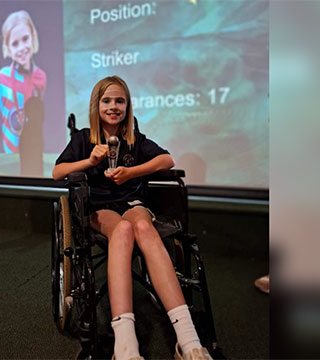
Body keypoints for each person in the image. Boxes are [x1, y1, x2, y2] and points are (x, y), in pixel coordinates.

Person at [53, 76, 212, 360]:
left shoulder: (134, 141)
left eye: (120, 101)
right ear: (96, 105)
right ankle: (125, 345)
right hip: (99, 207)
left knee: (142, 225)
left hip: (132, 202)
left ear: (127, 106)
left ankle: (188, 340)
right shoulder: (83, 138)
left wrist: (131, 172)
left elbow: (167, 160)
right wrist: (90, 160)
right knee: (124, 230)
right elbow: (58, 172)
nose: (113, 106)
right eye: (107, 101)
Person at [0, 10, 46, 154]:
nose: (22, 48)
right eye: (15, 43)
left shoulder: (40, 76)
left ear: (33, 37)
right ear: (8, 49)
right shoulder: (3, 76)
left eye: (25, 39)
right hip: (10, 146)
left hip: (34, 145)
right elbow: (0, 108)